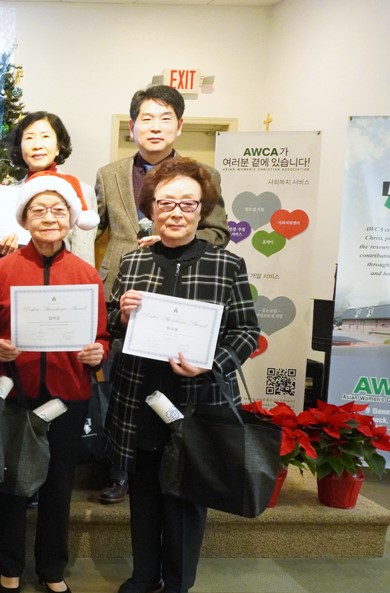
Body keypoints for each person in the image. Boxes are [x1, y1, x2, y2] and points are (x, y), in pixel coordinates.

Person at [106, 157, 259, 593]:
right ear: (151, 208)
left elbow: (246, 332)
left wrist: (211, 364)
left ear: (202, 209)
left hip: (197, 400)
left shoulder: (227, 264)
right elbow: (112, 324)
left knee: (186, 495)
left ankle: (178, 582)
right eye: (165, 203)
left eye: (187, 204)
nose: (175, 212)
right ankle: (143, 573)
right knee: (144, 491)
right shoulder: (133, 261)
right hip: (139, 395)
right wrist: (121, 315)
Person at [0, 172, 110, 593]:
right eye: (38, 210)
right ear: (24, 219)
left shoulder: (85, 274)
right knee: (9, 482)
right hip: (16, 392)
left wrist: (98, 353)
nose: (49, 218)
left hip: (68, 394)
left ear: (70, 218)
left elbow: (102, 336)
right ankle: (9, 567)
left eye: (57, 210)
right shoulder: (2, 270)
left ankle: (52, 569)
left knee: (58, 483)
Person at [93, 84, 230, 505]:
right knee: (122, 382)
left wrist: (174, 238)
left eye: (165, 118)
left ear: (179, 125)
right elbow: (93, 229)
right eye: (146, 118)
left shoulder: (202, 177)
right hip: (127, 293)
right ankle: (120, 469)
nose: (155, 127)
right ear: (132, 125)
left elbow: (218, 231)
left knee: (175, 378)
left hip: (180, 294)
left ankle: (178, 462)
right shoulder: (109, 174)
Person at [0, 111, 99, 266]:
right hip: (16, 275)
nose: (37, 145)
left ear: (58, 147)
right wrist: (1, 252)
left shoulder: (81, 191)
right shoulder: (10, 193)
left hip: (63, 278)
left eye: (45, 136)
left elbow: (84, 256)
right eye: (29, 138)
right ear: (20, 147)